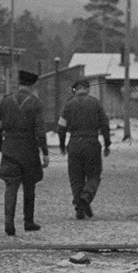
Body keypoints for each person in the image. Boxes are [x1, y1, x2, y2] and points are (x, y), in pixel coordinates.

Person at [0, 70, 49, 236]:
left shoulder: (5, 101)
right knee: (29, 186)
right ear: (31, 86)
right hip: (29, 150)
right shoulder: (35, 103)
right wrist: (44, 152)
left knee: (11, 185)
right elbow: (40, 131)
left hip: (9, 148)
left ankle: (9, 223)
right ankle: (28, 221)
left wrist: (0, 144)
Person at [57, 78, 111, 219]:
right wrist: (107, 143)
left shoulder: (68, 105)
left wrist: (62, 145)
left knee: (76, 177)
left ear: (75, 90)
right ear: (87, 89)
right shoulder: (96, 104)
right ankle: (86, 198)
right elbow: (105, 125)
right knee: (94, 175)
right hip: (92, 143)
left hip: (74, 143)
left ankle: (79, 208)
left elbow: (61, 128)